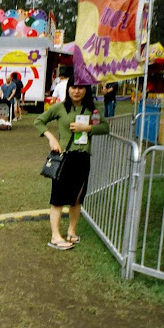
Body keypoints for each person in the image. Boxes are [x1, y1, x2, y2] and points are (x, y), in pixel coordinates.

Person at [34, 76, 110, 250]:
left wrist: (88, 128)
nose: (76, 91)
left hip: (83, 158)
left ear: (86, 90)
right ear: (68, 89)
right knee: (58, 197)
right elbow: (38, 121)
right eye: (73, 87)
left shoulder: (93, 110)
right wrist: (51, 138)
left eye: (81, 88)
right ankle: (55, 236)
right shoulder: (60, 108)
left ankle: (72, 232)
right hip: (64, 157)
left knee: (77, 197)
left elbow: (105, 127)